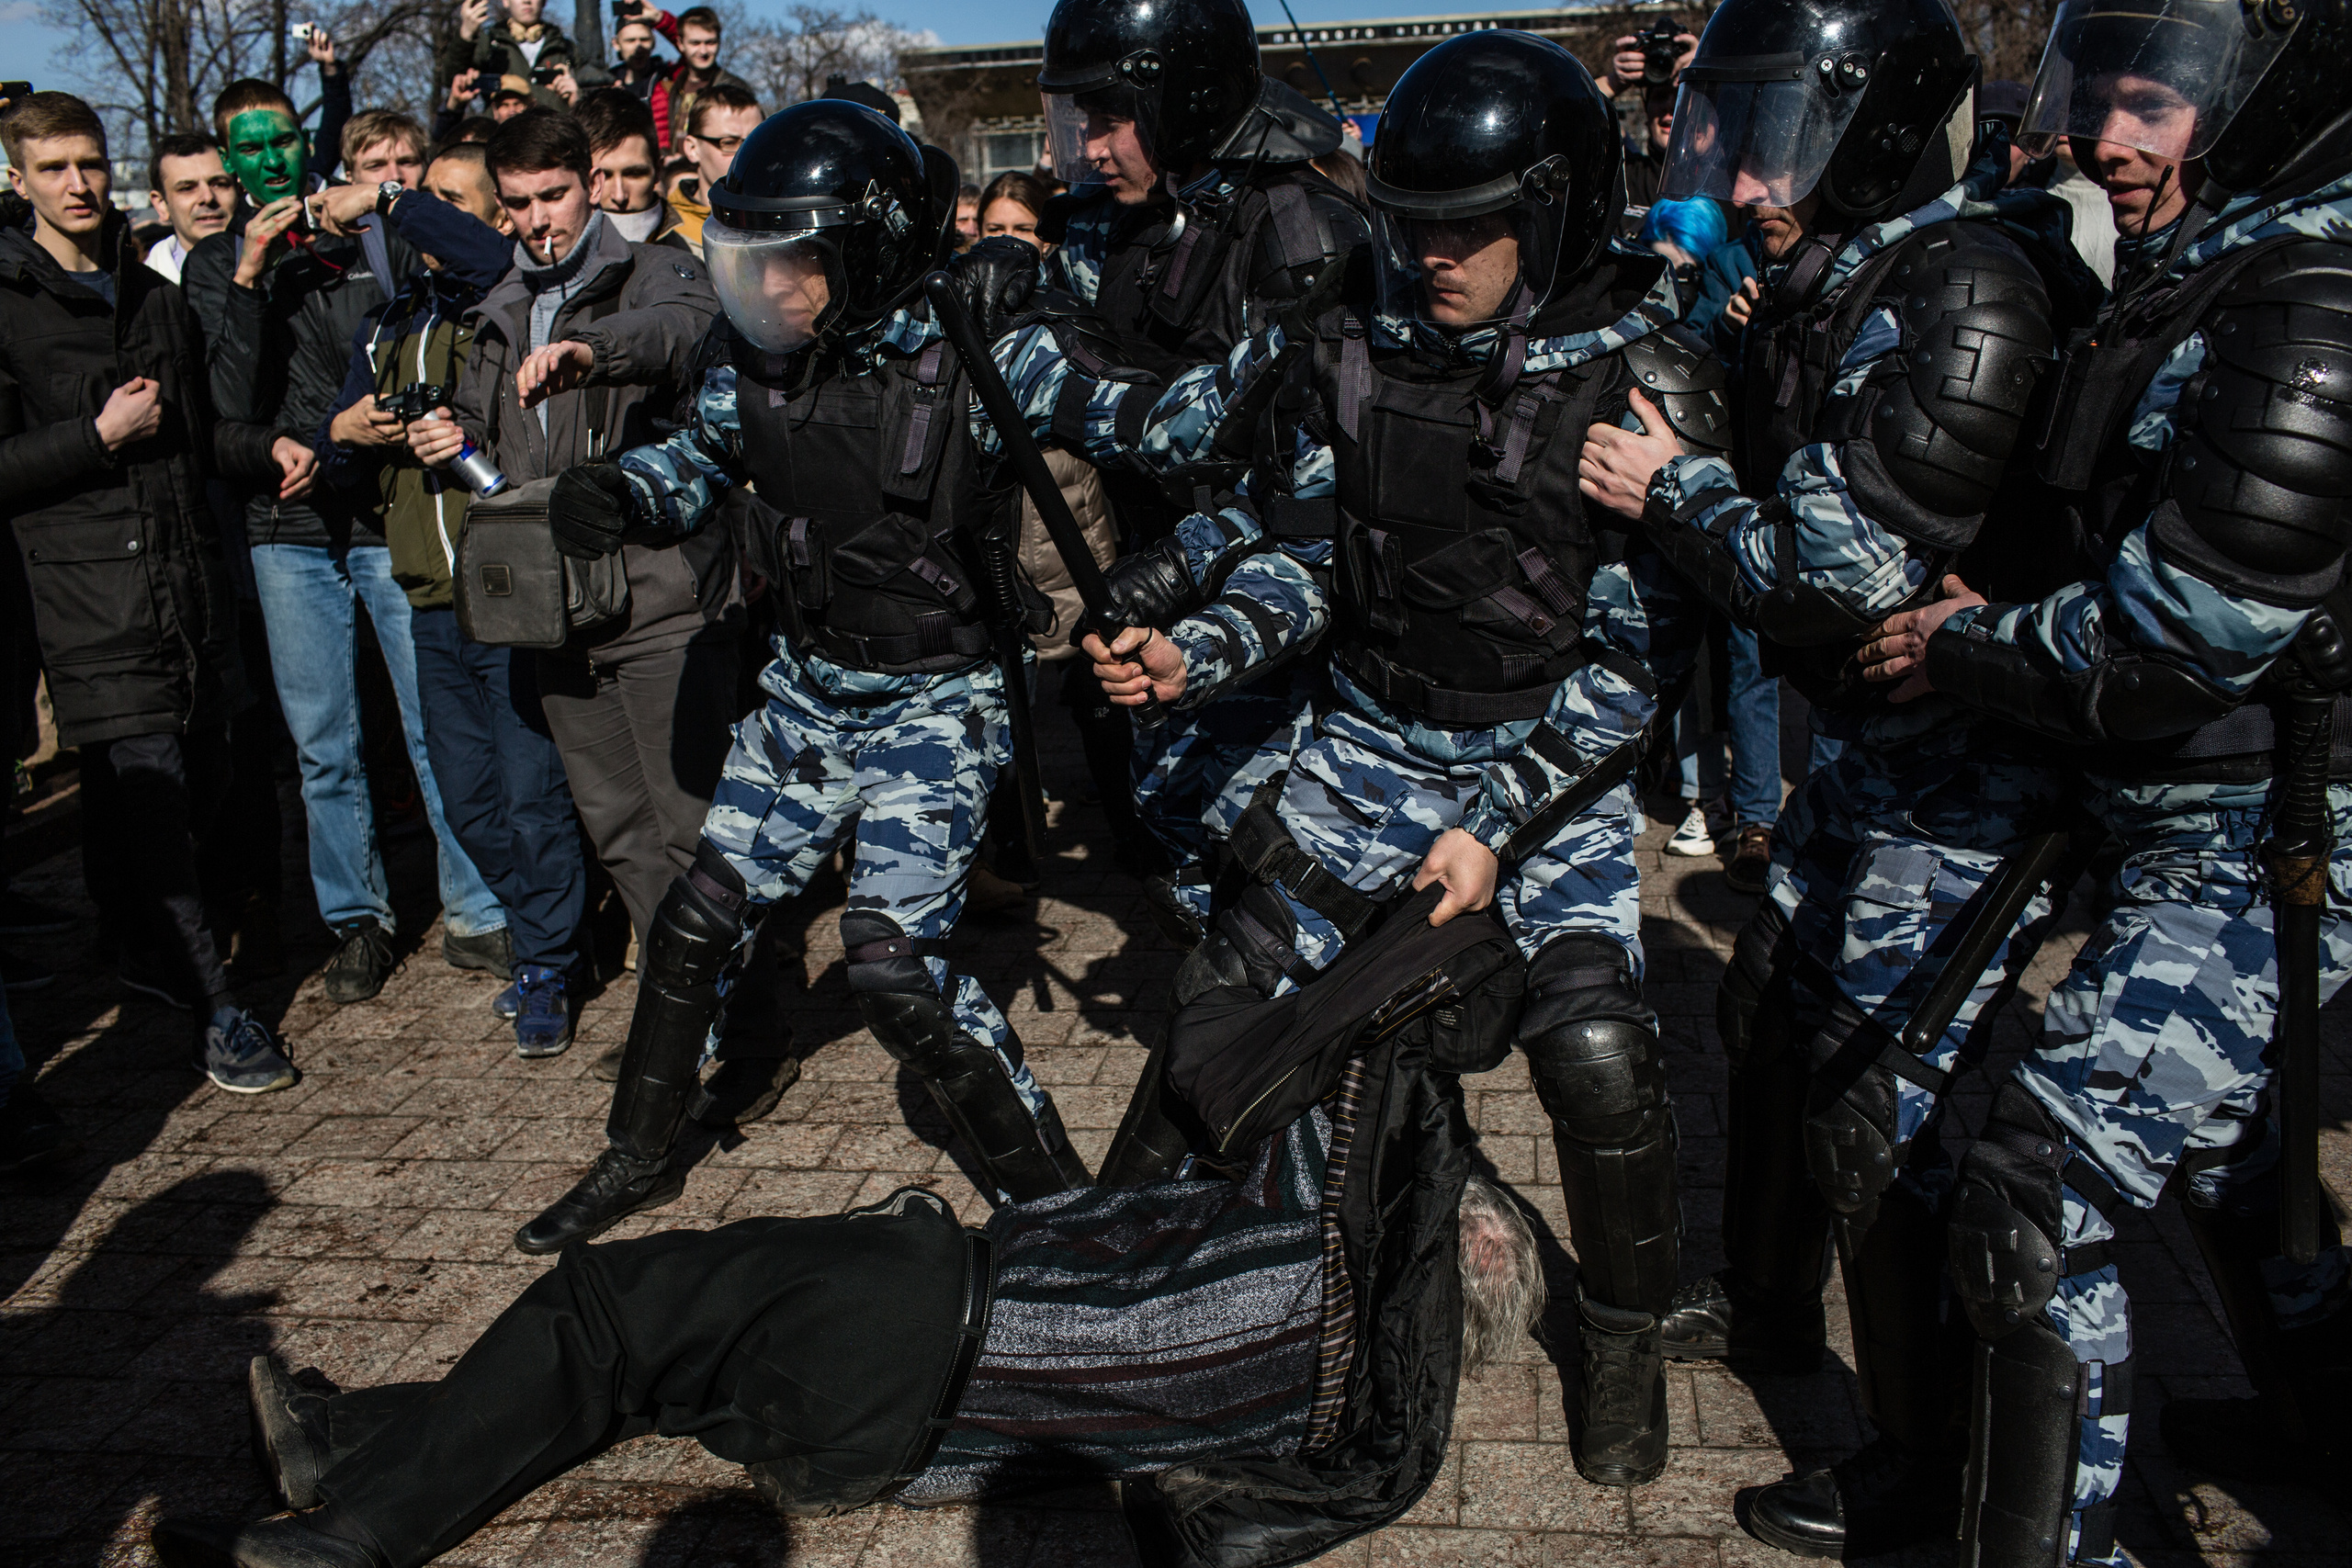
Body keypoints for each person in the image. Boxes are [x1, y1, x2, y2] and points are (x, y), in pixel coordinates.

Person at [1087, 28, 1732, 1487]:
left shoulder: (1647, 380)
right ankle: (1121, 1276)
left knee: (1598, 1050)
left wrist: (1497, 824)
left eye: (1469, 228)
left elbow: (1633, 674)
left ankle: (1624, 1344)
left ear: (1551, 211)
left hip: (1546, 773)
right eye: (1412, 223)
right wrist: (1201, 653)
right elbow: (1317, 556)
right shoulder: (1362, 346)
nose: (1432, 255)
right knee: (1226, 982)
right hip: (1373, 739)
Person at [150, 953, 1536, 1568]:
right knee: (642, 1378)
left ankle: (359, 1534)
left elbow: (1284, 1043)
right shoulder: (1326, 1398)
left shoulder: (1312, 1253)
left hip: (922, 1319)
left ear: (1446, 1242)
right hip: (900, 1434)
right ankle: (353, 1440)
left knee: (606, 1305)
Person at [1575, 0, 2106, 1551]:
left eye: (1782, 139)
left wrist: (1672, 486)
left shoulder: (1964, 285)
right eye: (1733, 136)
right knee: (1768, 1021)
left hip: (1969, 774)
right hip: (1878, 758)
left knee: (1884, 1116)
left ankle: (1923, 1460)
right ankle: (1767, 1310)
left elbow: (1836, 570)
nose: (1746, 182)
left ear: (1876, 128)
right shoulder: (1832, 279)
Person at [1854, 0, 2352, 1551]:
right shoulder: (2196, 268)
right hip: (2166, 808)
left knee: (2040, 1177)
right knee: (2227, 1156)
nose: (2109, 140)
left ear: (2259, 106)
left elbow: (2194, 624)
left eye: (2158, 103)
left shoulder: (2309, 289)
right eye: (2101, 95)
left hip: (2273, 816)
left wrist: (1965, 645)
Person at [505, 100, 1100, 1255]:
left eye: (792, 263)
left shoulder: (970, 345)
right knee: (695, 920)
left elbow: (1143, 416)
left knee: (892, 972)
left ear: (863, 252)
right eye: (751, 262)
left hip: (938, 695)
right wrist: (626, 495)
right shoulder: (760, 360)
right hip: (808, 694)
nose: (765, 288)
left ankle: (1064, 1210)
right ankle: (638, 1155)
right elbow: (703, 456)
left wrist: (1035, 288)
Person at [983, 0, 1370, 922]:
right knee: (1173, 835)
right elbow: (1044, 335)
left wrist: (1052, 374)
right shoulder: (1113, 224)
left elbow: (1286, 456)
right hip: (1147, 591)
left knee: (1272, 878)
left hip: (1275, 615)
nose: (1091, 146)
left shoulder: (1300, 237)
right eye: (1077, 119)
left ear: (1185, 105)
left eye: (1109, 119)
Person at [0, 91, 312, 1092]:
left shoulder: (155, 296)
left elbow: (197, 434)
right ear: (19, 182)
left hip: (189, 590)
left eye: (89, 164)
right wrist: (91, 439)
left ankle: (144, 954)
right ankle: (219, 1013)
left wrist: (265, 445)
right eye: (53, 169)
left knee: (215, 790)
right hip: (89, 600)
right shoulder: (7, 306)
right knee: (155, 808)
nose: (78, 185)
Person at [406, 108, 729, 1059]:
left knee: (690, 825)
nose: (539, 219)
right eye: (517, 204)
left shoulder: (657, 266)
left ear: (589, 179)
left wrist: (595, 353)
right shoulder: (502, 301)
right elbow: (491, 432)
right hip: (556, 607)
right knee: (619, 827)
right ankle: (683, 1020)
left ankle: (730, 1017)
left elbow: (679, 334)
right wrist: (447, 438)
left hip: (657, 592)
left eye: (553, 195)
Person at [183, 97, 509, 1008]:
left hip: (379, 514)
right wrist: (248, 275)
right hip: (283, 528)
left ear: (305, 146)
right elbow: (223, 401)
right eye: (248, 148)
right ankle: (357, 920)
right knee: (325, 743)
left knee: (430, 722)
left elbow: (443, 307)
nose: (269, 160)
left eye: (283, 140)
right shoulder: (214, 264)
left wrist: (376, 207)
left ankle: (477, 911)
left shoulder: (372, 235)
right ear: (231, 161)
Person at [311, 141, 585, 1043]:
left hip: (507, 588)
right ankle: (544, 931)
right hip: (426, 594)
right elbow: (341, 469)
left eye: (450, 201)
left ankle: (548, 961)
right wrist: (345, 432)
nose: (423, 218)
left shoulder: (500, 296)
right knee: (467, 800)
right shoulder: (387, 322)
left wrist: (387, 195)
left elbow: (475, 252)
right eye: (421, 201)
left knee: (530, 794)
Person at [632, 3, 753, 155]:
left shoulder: (733, 88)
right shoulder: (673, 83)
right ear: (680, 44)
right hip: (677, 172)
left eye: (710, 42)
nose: (703, 51)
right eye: (695, 43)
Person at [662, 83, 762, 258]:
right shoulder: (665, 229)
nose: (746, 155)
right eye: (729, 143)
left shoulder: (783, 219)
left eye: (755, 141)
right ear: (693, 149)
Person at [576, 90, 685, 247]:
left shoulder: (694, 259)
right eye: (602, 177)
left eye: (634, 174)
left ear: (658, 171)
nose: (619, 196)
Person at [439, 0, 577, 113]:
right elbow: (452, 80)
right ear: (505, 1)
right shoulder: (489, 44)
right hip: (500, 139)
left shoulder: (565, 48)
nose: (527, 1)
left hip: (553, 139)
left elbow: (591, 100)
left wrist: (576, 98)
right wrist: (466, 35)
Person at [143, 134, 236, 283]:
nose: (207, 197)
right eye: (187, 188)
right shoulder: (143, 294)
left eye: (219, 184)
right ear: (161, 205)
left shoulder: (279, 275)